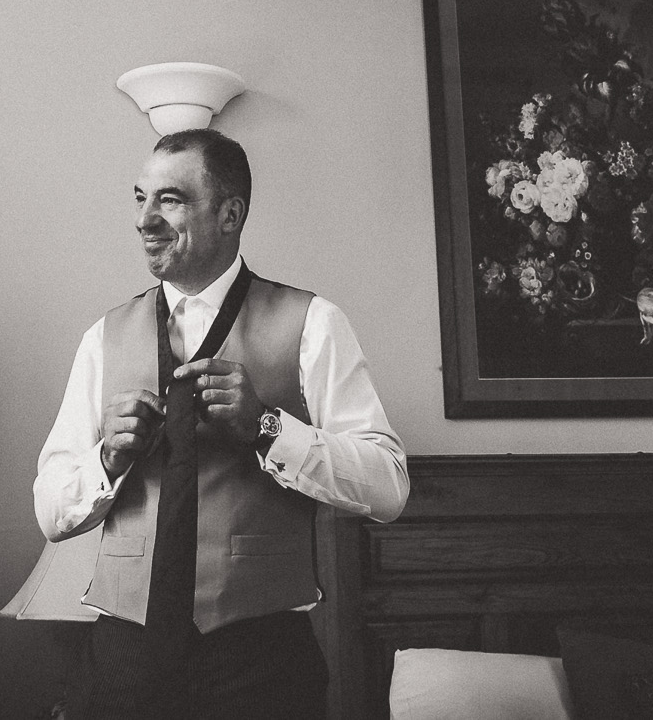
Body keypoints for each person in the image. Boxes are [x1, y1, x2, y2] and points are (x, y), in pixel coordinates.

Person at [34, 128, 408, 720]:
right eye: (140, 198)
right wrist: (107, 458)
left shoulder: (313, 323)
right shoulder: (103, 337)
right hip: (122, 658)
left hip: (260, 658)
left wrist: (268, 427)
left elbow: (389, 487)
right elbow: (51, 511)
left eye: (170, 199)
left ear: (229, 213)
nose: (145, 219)